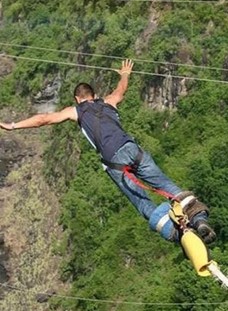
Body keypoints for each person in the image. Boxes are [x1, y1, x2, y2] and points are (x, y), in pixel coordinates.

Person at [0, 59, 216, 244]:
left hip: (116, 162)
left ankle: (179, 235)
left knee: (142, 201)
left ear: (77, 98)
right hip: (134, 150)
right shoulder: (109, 102)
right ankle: (199, 220)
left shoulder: (76, 111)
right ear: (94, 95)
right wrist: (125, 74)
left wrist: (12, 125)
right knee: (168, 186)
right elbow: (121, 90)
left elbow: (43, 119)